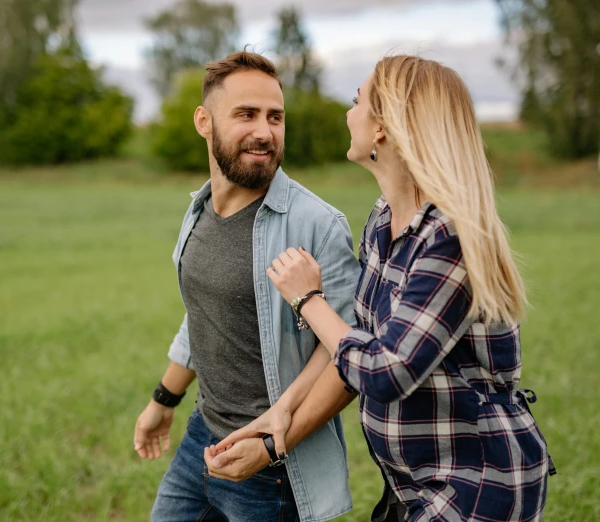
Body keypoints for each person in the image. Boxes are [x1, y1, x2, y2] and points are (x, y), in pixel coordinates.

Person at [208, 55, 556, 522]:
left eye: (357, 102)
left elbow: (383, 371)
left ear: (382, 129)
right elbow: (355, 339)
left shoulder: (447, 236)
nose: (348, 113)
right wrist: (282, 414)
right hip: (413, 483)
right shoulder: (381, 221)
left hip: (475, 485)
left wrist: (307, 299)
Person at [133, 50, 361, 522]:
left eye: (275, 117)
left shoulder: (317, 224)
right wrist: (164, 399)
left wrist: (270, 446)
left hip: (272, 464)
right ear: (204, 121)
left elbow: (348, 359)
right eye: (246, 114)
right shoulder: (199, 210)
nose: (264, 131)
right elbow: (203, 315)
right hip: (204, 434)